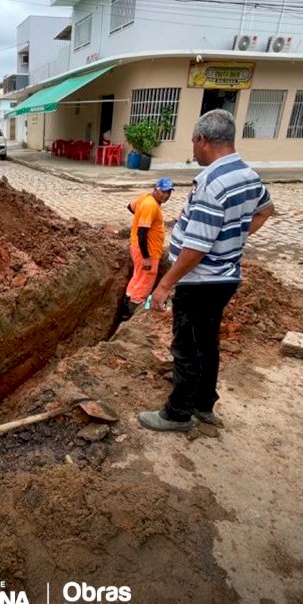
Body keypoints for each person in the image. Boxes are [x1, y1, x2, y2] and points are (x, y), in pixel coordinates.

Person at [138, 109, 274, 433]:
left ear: (203, 140)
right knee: (207, 342)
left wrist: (164, 285)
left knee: (186, 347)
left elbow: (196, 249)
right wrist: (234, 237)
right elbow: (266, 210)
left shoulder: (211, 183)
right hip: (226, 277)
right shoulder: (249, 175)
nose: (193, 150)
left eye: (193, 143)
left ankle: (178, 414)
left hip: (200, 281)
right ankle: (203, 405)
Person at [121, 177, 174, 319]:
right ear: (156, 189)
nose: (166, 195)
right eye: (163, 191)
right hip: (147, 251)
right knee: (144, 284)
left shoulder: (145, 198)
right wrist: (146, 258)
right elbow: (142, 232)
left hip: (140, 248)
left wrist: (140, 215)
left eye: (169, 192)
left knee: (137, 279)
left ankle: (125, 310)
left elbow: (130, 207)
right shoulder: (150, 205)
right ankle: (134, 315)